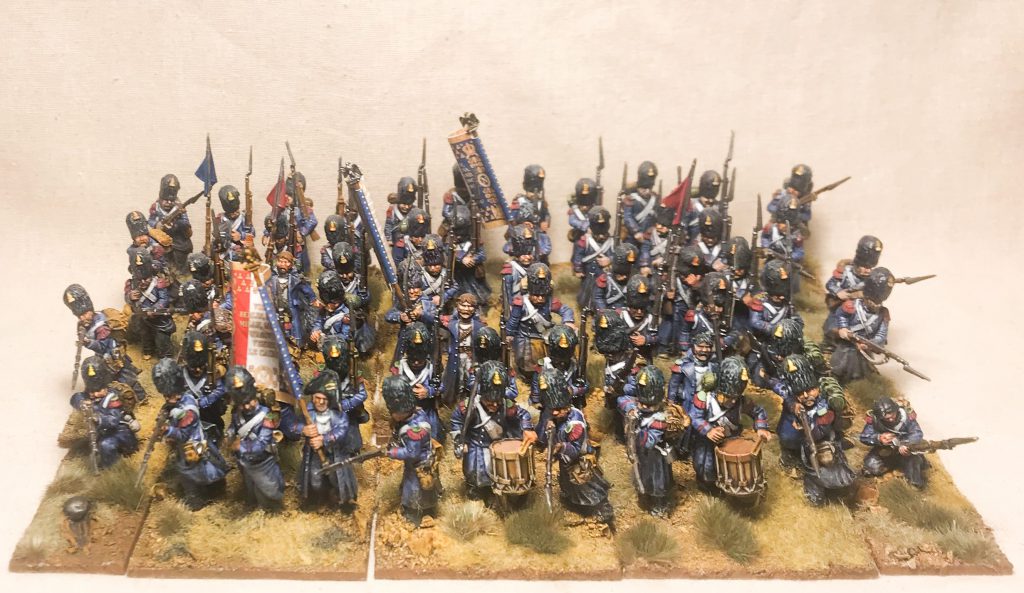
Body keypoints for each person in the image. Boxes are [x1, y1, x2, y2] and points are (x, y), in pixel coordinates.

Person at [536, 369, 614, 525]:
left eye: (559, 410)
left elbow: (576, 450)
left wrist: (561, 447)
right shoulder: (552, 416)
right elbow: (542, 436)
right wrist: (547, 426)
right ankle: (574, 503)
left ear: (567, 407)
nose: (555, 413)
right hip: (565, 462)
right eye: (552, 410)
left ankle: (603, 509)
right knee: (568, 485)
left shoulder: (575, 424)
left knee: (587, 487)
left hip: (579, 461)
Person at [450, 361, 537, 501]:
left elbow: (522, 414)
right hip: (476, 447)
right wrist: (459, 439)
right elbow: (456, 421)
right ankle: (475, 491)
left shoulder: (506, 405)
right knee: (474, 472)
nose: (495, 405)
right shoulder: (469, 406)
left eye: (498, 401)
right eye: (490, 401)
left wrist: (527, 428)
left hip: (498, 446)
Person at [152, 358, 229, 510]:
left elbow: (183, 434)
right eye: (166, 396)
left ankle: (197, 500)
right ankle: (204, 492)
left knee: (192, 473)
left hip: (194, 447)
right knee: (189, 472)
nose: (168, 399)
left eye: (170, 395)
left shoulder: (188, 410)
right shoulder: (180, 400)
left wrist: (167, 430)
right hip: (186, 446)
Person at [780, 354, 856, 505]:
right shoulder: (793, 403)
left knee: (836, 464)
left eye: (810, 390)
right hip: (806, 443)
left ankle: (842, 489)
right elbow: (787, 434)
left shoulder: (826, 397)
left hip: (827, 437)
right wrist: (798, 425)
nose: (806, 396)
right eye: (800, 393)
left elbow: (836, 420)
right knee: (811, 467)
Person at [688, 357, 770, 493]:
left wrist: (761, 428)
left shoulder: (740, 401)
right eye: (728, 396)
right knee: (706, 467)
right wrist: (708, 430)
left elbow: (758, 411)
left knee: (735, 471)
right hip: (707, 444)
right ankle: (708, 487)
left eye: (735, 397)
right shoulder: (703, 399)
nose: (732, 402)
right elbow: (695, 417)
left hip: (732, 441)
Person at [63, 284, 147, 402]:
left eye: (84, 314)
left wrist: (88, 343)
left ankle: (142, 397)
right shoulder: (86, 323)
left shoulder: (101, 327)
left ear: (90, 310)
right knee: (109, 377)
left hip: (113, 356)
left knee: (127, 378)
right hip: (103, 356)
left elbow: (102, 346)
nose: (82, 318)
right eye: (79, 316)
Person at [288, 371, 358, 509]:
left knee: (337, 479)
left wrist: (324, 439)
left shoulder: (339, 415)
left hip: (335, 454)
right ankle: (318, 500)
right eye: (317, 398)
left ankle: (340, 501)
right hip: (314, 455)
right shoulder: (308, 413)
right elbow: (293, 426)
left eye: (324, 399)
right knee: (315, 480)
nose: (320, 402)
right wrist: (303, 429)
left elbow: (341, 430)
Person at [381, 375, 440, 527]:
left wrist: (392, 452)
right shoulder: (417, 412)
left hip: (419, 465)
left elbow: (411, 453)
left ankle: (414, 514)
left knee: (415, 490)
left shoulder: (415, 429)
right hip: (418, 462)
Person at [617, 365, 676, 516]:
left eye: (649, 405)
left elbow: (650, 441)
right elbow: (622, 400)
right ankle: (646, 496)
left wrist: (636, 430)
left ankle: (659, 505)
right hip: (642, 455)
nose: (644, 407)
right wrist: (631, 409)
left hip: (655, 457)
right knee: (642, 476)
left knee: (657, 482)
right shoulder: (637, 407)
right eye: (642, 403)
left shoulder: (659, 420)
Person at [224, 366, 285, 509]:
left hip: (263, 462)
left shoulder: (268, 415)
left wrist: (241, 447)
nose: (246, 407)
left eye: (249, 402)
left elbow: (262, 443)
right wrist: (229, 435)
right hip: (245, 462)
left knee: (268, 492)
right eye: (242, 404)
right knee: (250, 490)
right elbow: (234, 426)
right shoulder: (238, 414)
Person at [506, 263, 575, 381]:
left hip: (544, 338)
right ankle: (528, 377)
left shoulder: (550, 302)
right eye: (536, 295)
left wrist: (568, 321)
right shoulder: (520, 303)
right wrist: (509, 334)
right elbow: (513, 321)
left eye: (543, 296)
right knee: (526, 362)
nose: (540, 299)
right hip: (525, 338)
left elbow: (565, 310)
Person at [69, 356, 139, 469]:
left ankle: (111, 468)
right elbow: (75, 397)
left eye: (98, 390)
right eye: (91, 391)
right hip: (101, 432)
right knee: (82, 444)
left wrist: (98, 418)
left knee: (106, 445)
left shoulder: (112, 398)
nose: (94, 394)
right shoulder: (89, 396)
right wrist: (82, 403)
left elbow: (114, 420)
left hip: (119, 432)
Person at [830, 267, 894, 383]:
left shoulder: (883, 313)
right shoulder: (851, 305)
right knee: (840, 365)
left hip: (865, 350)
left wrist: (869, 344)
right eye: (872, 301)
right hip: (847, 345)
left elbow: (881, 335)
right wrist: (843, 329)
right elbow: (841, 317)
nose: (874, 304)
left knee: (862, 375)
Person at [823, 235, 883, 339]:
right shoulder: (845, 271)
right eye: (864, 267)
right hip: (840, 306)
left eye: (870, 268)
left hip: (858, 310)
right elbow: (830, 284)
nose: (868, 270)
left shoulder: (872, 277)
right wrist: (838, 292)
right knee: (831, 327)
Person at [860, 397, 926, 488]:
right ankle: (891, 465)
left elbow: (917, 433)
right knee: (871, 466)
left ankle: (914, 484)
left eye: (892, 415)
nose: (891, 420)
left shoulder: (907, 417)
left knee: (914, 463)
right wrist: (879, 438)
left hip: (906, 450)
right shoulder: (874, 420)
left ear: (896, 410)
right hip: (886, 449)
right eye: (887, 418)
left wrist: (905, 444)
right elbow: (864, 436)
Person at [391, 322, 442, 441]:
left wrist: (428, 391)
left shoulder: (432, 367)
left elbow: (440, 386)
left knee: (433, 437)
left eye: (420, 358)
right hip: (406, 413)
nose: (416, 363)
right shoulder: (399, 368)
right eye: (413, 359)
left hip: (427, 410)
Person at [125, 248, 174, 360]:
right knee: (145, 335)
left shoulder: (159, 282)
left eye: (146, 279)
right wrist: (130, 297)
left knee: (162, 339)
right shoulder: (131, 284)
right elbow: (127, 298)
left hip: (158, 317)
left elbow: (164, 299)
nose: (143, 282)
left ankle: (165, 355)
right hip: (142, 317)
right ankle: (148, 350)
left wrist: (154, 309)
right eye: (140, 280)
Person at [441, 293, 486, 405]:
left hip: (471, 358)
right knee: (456, 377)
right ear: (457, 307)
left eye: (469, 306)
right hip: (456, 356)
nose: (466, 309)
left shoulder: (479, 327)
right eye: (463, 306)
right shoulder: (452, 325)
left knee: (471, 377)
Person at [531, 325, 588, 410]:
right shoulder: (544, 364)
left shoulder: (574, 366)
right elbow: (536, 382)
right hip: (549, 404)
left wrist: (574, 390)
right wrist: (536, 400)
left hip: (569, 404)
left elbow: (585, 386)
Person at [748, 259, 804, 344]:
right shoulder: (759, 300)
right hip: (762, 340)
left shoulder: (787, 304)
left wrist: (790, 329)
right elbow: (755, 321)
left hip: (781, 342)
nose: (780, 297)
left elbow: (798, 321)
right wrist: (773, 329)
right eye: (777, 295)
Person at [148, 174, 193, 275]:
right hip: (161, 238)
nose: (168, 203)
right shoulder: (156, 206)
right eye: (165, 200)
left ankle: (181, 273)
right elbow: (150, 220)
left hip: (178, 238)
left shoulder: (179, 207)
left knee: (181, 254)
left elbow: (185, 223)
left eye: (171, 201)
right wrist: (158, 224)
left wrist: (176, 224)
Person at [448, 204, 492, 308]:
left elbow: (482, 255)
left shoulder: (474, 240)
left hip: (472, 275)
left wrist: (473, 259)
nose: (459, 233)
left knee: (478, 297)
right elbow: (448, 253)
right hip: (457, 274)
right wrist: (461, 258)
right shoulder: (450, 239)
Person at [571, 207, 614, 309]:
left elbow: (617, 255)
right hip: (590, 273)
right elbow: (578, 255)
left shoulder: (612, 241)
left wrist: (609, 260)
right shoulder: (584, 240)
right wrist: (578, 269)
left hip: (605, 274)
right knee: (588, 292)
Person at [619, 274, 660, 361]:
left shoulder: (650, 318)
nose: (639, 312)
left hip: (644, 358)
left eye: (642, 308)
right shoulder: (621, 316)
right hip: (623, 358)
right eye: (635, 308)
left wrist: (646, 339)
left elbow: (657, 337)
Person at [622, 161, 660, 246]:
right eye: (644, 189)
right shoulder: (631, 198)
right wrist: (636, 231)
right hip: (632, 237)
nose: (646, 191)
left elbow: (657, 216)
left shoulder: (655, 197)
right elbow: (628, 217)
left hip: (649, 237)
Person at [215, 185, 255, 263]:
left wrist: (241, 236)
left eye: (236, 211)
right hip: (225, 255)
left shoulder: (244, 218)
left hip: (241, 254)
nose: (234, 214)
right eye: (231, 213)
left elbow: (252, 234)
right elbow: (217, 237)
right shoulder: (220, 219)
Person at [594, 243, 639, 310]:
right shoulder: (605, 278)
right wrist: (603, 311)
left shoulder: (634, 278)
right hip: (611, 311)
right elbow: (598, 298)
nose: (623, 277)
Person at [385, 176, 418, 256]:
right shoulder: (392, 210)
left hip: (411, 242)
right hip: (397, 241)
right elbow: (388, 225)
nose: (406, 207)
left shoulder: (415, 211)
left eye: (409, 204)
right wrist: (389, 239)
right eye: (403, 204)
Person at [566, 177, 598, 243]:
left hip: (593, 237)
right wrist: (584, 225)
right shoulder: (575, 208)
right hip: (580, 236)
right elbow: (572, 221)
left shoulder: (595, 208)